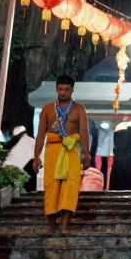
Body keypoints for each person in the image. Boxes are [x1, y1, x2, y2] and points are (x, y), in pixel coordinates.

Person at [33, 75, 90, 235]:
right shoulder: (47, 109)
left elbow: (84, 132)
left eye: (66, 89)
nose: (63, 92)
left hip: (71, 151)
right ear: (56, 89)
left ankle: (65, 226)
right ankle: (51, 226)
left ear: (72, 90)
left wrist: (87, 154)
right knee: (51, 187)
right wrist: (36, 157)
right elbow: (40, 134)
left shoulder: (79, 109)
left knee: (70, 187)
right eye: (60, 89)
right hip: (52, 150)